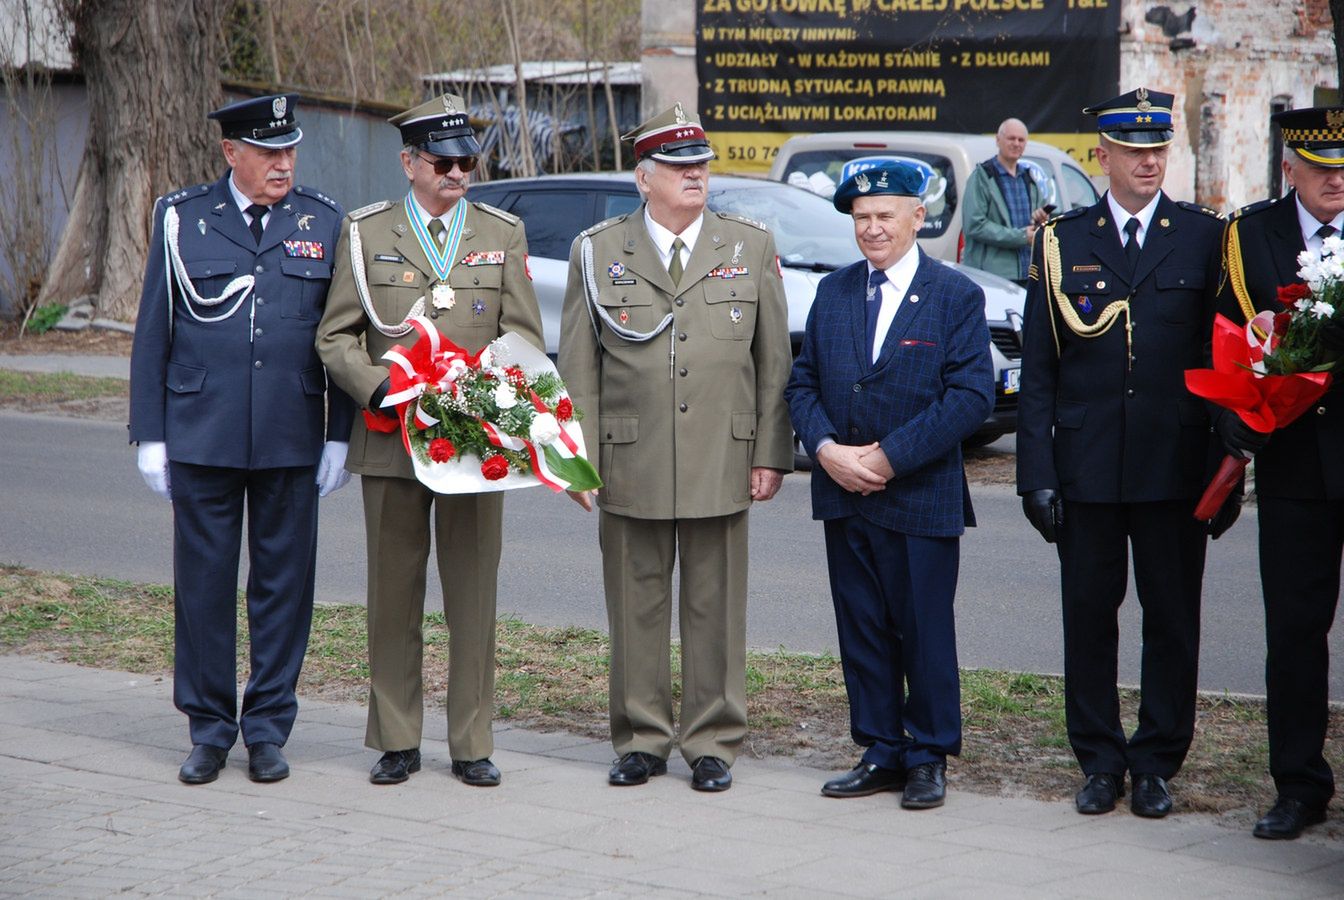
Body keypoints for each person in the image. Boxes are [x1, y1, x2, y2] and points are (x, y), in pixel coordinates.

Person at [557, 103, 793, 792]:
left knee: (715, 605)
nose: (695, 176)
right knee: (636, 603)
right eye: (678, 167)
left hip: (724, 452)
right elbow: (580, 366)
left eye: (701, 165)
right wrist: (576, 457)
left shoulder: (748, 246)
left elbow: (771, 361)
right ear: (643, 177)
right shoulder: (599, 250)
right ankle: (642, 738)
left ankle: (713, 739)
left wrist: (770, 452)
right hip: (630, 454)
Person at [316, 93, 543, 787]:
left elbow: (527, 334)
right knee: (392, 594)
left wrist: (490, 394)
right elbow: (335, 335)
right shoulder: (366, 232)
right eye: (444, 161)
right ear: (410, 162)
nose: (458, 173)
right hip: (391, 439)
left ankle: (473, 741)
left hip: (472, 445)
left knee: (474, 594)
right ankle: (396, 737)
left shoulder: (502, 232)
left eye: (466, 161)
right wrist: (378, 386)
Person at [1015, 88, 1232, 818]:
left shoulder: (1204, 238)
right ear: (1101, 156)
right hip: (1088, 468)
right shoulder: (1063, 241)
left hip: (1176, 468)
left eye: (1158, 150)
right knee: (1089, 615)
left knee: (1172, 618)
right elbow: (1041, 372)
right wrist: (1035, 475)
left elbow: (1222, 360)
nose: (1148, 162)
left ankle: (1157, 762)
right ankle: (1100, 760)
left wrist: (1226, 467)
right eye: (1133, 151)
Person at [129, 94, 354, 785]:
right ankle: (208, 728)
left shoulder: (322, 220)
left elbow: (340, 334)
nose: (283, 163)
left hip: (290, 433)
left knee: (283, 589)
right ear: (232, 153)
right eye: (268, 152)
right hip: (203, 432)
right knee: (203, 588)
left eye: (290, 150)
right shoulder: (182, 218)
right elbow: (154, 333)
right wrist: (150, 434)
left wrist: (339, 435)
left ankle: (267, 727)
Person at [785, 163, 994, 810]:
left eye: (884, 216)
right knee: (864, 627)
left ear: (917, 218)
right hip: (843, 489)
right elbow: (803, 385)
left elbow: (971, 397)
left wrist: (887, 459)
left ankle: (928, 753)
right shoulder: (835, 292)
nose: (872, 229)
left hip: (917, 493)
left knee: (923, 629)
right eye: (861, 218)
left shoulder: (953, 295)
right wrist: (825, 450)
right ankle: (879, 747)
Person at [1215, 106, 1344, 840]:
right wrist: (1232, 421)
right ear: (1289, 166)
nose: (1336, 178)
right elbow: (1228, 333)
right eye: (1321, 165)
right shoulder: (1247, 235)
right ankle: (1298, 785)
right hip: (1294, 466)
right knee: (1294, 632)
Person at [960, 118, 1052, 285]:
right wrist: (1022, 236)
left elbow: (1038, 224)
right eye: (1011, 138)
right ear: (998, 139)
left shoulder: (1028, 178)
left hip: (1028, 273)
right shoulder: (982, 177)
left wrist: (1040, 221)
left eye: (1021, 140)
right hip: (992, 277)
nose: (1016, 143)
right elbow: (974, 225)